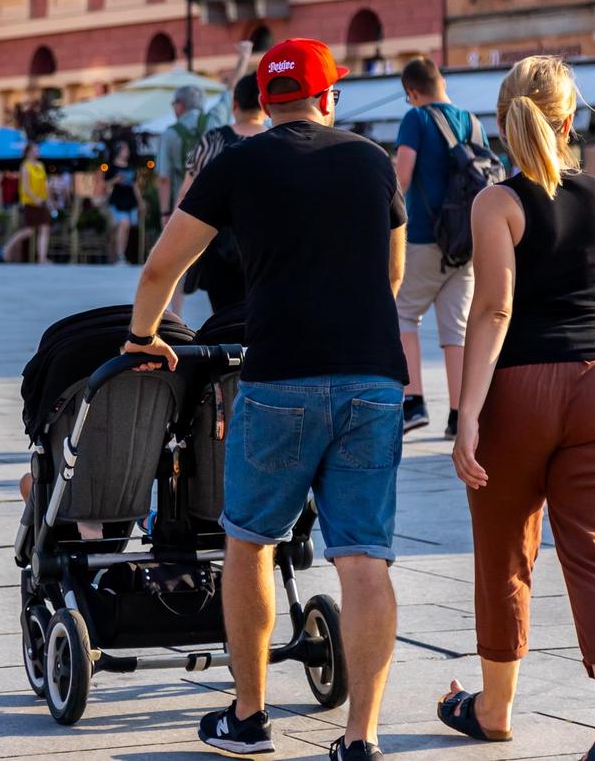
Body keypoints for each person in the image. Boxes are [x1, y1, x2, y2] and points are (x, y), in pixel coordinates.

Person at [124, 38, 407, 761]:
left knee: (249, 540)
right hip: (372, 378)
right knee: (363, 555)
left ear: (264, 100)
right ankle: (361, 737)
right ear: (328, 97)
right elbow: (393, 276)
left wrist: (141, 337)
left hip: (279, 376)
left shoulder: (235, 163)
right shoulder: (372, 163)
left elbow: (163, 264)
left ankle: (249, 720)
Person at [441, 56, 595, 761]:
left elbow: (494, 309)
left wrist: (467, 413)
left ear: (502, 125)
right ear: (568, 121)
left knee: (504, 553)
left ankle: (493, 710)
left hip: (521, 389)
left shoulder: (498, 203)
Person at [394, 56, 490, 439]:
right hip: (465, 241)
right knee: (457, 330)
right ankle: (459, 415)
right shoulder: (474, 122)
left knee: (402, 314)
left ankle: (413, 402)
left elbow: (402, 175)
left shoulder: (415, 119)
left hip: (423, 236)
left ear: (412, 92)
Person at [157, 41, 254, 314]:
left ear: (179, 106)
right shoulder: (216, 122)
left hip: (182, 208)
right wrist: (243, 58)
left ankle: (174, 316)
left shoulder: (170, 134)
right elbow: (232, 91)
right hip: (216, 212)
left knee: (173, 264)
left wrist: (165, 213)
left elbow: (164, 179)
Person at [173, 72, 268, 312]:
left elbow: (187, 193)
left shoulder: (212, 140)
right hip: (265, 248)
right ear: (264, 104)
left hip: (218, 246)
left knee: (224, 316)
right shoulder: (276, 140)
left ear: (234, 104)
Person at [3, 142, 51, 264]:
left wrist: (48, 198)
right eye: (35, 150)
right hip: (30, 202)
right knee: (29, 231)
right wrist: (35, 199)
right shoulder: (25, 166)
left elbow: (44, 183)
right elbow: (25, 186)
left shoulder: (40, 165)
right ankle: (8, 247)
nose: (37, 152)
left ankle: (42, 258)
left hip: (42, 201)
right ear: (29, 152)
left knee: (45, 228)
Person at [105, 143, 144, 265]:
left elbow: (135, 186)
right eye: (125, 149)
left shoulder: (131, 168)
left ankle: (120, 255)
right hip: (117, 201)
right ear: (119, 151)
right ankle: (119, 256)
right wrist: (116, 180)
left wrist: (140, 202)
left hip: (130, 202)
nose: (127, 152)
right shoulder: (112, 168)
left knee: (125, 229)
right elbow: (106, 185)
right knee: (123, 225)